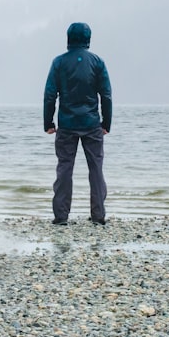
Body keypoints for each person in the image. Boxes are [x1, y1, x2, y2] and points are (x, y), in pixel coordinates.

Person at [43, 22, 112, 226]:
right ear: (88, 39)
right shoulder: (97, 62)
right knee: (96, 169)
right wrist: (106, 123)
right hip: (92, 124)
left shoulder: (59, 62)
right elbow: (106, 95)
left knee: (64, 168)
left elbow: (49, 95)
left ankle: (61, 216)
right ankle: (98, 216)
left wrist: (48, 122)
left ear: (68, 39)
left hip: (66, 124)